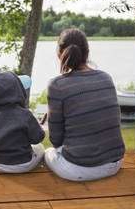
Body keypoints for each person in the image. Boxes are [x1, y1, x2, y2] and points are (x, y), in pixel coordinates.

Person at [44, 28, 125, 181]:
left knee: (47, 153)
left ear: (59, 56)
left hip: (78, 169)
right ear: (87, 54)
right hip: (115, 163)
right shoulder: (106, 78)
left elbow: (55, 141)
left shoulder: (56, 85)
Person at [0, 71, 45, 173]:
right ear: (18, 91)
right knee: (40, 148)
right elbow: (37, 138)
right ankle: (38, 177)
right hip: (23, 165)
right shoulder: (25, 114)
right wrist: (40, 128)